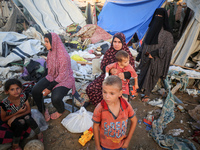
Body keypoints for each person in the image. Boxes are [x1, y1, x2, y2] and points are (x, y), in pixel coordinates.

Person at [32, 32, 76, 121]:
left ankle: (61, 110)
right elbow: (49, 70)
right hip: (52, 76)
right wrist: (42, 82)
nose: (45, 44)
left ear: (54, 42)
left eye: (47, 42)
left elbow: (62, 76)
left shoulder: (64, 56)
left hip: (65, 79)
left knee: (55, 98)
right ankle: (43, 110)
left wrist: (49, 88)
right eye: (45, 41)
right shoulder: (51, 52)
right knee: (35, 90)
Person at [86, 32, 135, 106]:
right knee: (91, 88)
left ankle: (112, 108)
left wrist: (124, 74)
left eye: (119, 42)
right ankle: (102, 107)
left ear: (123, 43)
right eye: (115, 42)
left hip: (121, 81)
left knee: (114, 93)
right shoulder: (109, 52)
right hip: (107, 77)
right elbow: (103, 66)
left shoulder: (126, 54)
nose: (116, 44)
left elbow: (132, 72)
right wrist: (109, 70)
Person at [136, 8, 174, 102]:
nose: (158, 18)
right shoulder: (150, 28)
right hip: (146, 56)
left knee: (152, 76)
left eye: (160, 16)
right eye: (156, 16)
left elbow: (168, 48)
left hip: (157, 59)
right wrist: (140, 54)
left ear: (164, 18)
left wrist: (154, 53)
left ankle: (147, 94)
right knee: (142, 74)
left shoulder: (167, 33)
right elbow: (145, 42)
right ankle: (138, 89)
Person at [92, 76, 137, 150]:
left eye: (112, 93)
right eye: (104, 92)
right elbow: (95, 126)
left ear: (120, 93)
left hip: (121, 144)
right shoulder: (100, 108)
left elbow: (134, 121)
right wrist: (97, 145)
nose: (107, 96)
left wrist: (127, 140)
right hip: (105, 146)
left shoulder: (126, 106)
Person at [0, 79, 43, 150]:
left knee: (28, 118)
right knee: (21, 123)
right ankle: (15, 144)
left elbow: (28, 110)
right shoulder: (4, 103)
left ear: (21, 88)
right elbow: (3, 119)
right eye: (12, 89)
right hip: (12, 121)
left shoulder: (23, 96)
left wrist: (16, 115)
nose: (16, 91)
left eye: (17, 88)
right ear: (7, 91)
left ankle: (39, 134)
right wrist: (17, 114)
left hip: (22, 114)